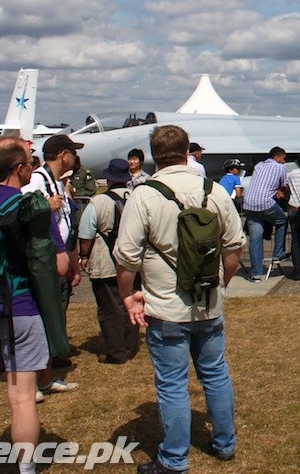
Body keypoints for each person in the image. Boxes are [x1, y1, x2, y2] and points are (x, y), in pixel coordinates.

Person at [114, 125, 245, 473]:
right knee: (215, 374)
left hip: (166, 307)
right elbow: (234, 247)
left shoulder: (144, 195)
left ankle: (173, 459)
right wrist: (221, 283)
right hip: (208, 303)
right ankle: (224, 443)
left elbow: (126, 257)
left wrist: (127, 296)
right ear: (188, 150)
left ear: (154, 154)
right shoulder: (214, 191)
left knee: (172, 384)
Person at [0, 137, 69, 474]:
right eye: (30, 163)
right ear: (19, 169)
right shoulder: (32, 208)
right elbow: (60, 267)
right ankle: (26, 469)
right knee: (21, 400)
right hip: (20, 309)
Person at [22, 133, 83, 396]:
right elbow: (24, 211)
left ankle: (45, 376)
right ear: (63, 155)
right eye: (72, 151)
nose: (75, 156)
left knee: (53, 317)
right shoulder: (37, 180)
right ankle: (34, 380)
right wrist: (46, 206)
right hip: (43, 260)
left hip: (58, 257)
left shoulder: (57, 182)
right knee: (42, 320)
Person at [77, 158, 139, 364]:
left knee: (109, 308)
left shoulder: (99, 202)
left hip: (106, 261)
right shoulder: (137, 198)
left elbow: (86, 233)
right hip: (132, 260)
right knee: (131, 304)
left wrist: (84, 255)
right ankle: (130, 346)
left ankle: (116, 351)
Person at [242, 147, 288, 282]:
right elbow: (283, 185)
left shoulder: (259, 165)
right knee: (282, 220)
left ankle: (256, 273)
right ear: (277, 158)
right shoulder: (280, 168)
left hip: (249, 203)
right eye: (284, 158)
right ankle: (278, 252)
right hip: (265, 203)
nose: (284, 162)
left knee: (255, 239)